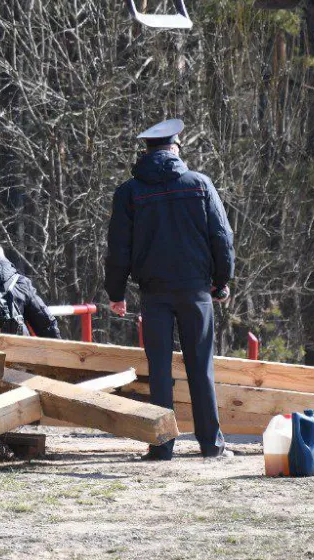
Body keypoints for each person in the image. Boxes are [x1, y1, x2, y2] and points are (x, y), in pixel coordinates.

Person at [104, 118, 235, 461]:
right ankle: (211, 445)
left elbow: (119, 248)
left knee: (159, 371)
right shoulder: (200, 184)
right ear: (176, 148)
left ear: (147, 151)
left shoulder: (129, 192)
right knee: (200, 367)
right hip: (195, 291)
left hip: (154, 293)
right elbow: (221, 237)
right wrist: (222, 281)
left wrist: (115, 293)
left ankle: (161, 445)